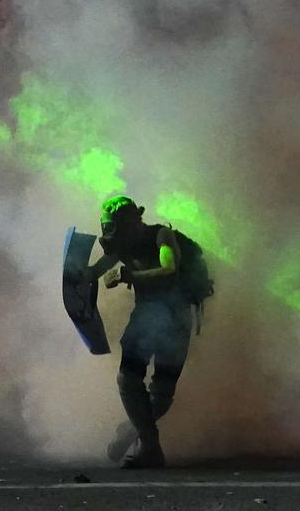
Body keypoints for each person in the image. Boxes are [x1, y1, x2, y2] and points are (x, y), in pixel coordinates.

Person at [85, 195, 195, 469]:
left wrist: (130, 276)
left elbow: (170, 268)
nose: (109, 233)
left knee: (161, 394)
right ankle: (149, 446)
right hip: (147, 316)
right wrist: (77, 275)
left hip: (175, 316)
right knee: (128, 379)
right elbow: (95, 271)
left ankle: (136, 432)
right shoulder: (122, 245)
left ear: (130, 222)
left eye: (113, 226)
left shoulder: (161, 235)